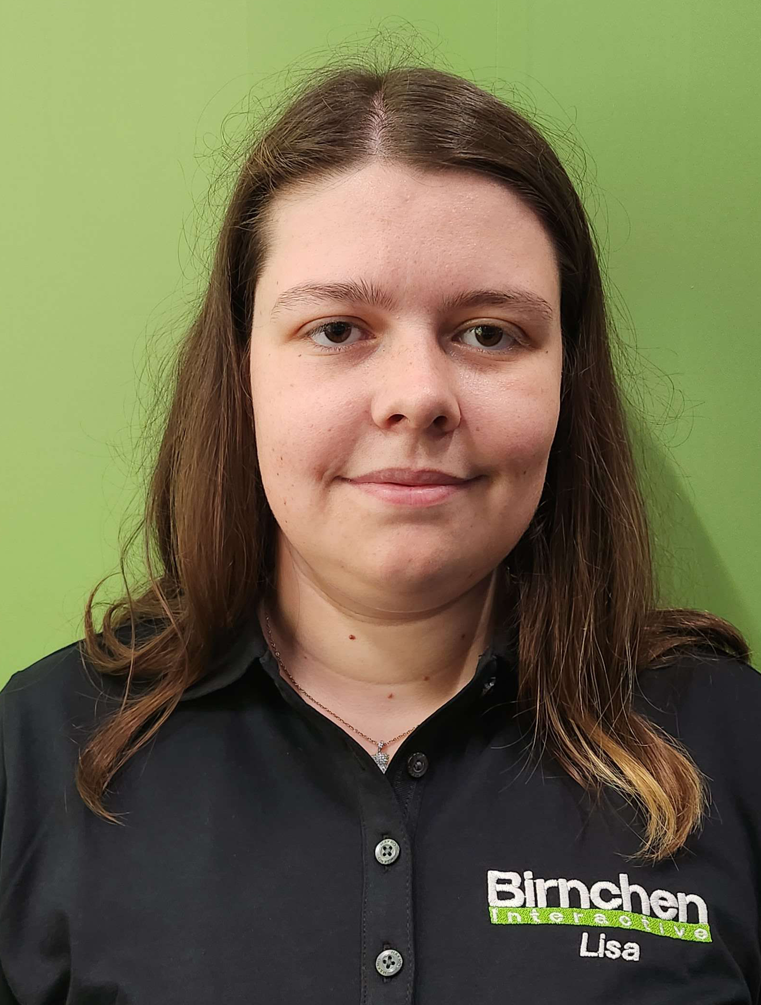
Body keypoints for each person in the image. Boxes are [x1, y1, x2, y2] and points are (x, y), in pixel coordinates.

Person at [1, 54, 759, 1005]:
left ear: (568, 377)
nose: (417, 396)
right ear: (242, 370)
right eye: (337, 329)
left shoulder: (733, 745)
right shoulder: (41, 749)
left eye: (488, 332)